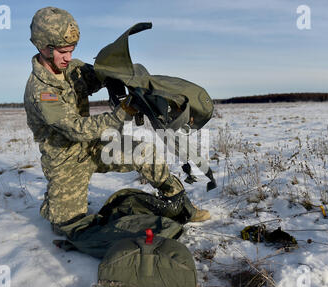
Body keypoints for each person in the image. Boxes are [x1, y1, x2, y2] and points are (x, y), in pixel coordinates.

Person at [23, 7, 210, 236]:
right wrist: (122, 112)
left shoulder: (73, 69)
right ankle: (55, 200)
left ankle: (181, 204)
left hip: (92, 146)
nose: (68, 57)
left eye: (71, 50)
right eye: (63, 52)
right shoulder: (40, 91)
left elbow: (104, 75)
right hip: (65, 159)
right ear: (43, 47)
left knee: (145, 152)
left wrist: (135, 83)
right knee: (68, 227)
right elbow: (76, 130)